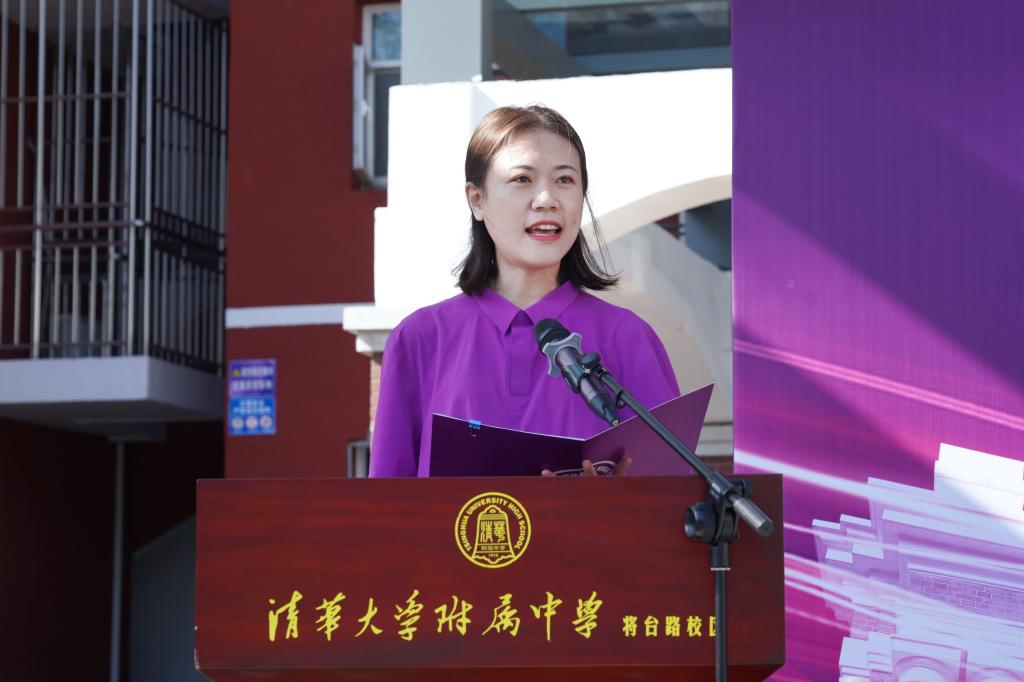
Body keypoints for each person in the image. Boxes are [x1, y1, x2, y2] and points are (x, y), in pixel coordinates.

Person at [369, 105, 679, 478]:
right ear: (477, 199)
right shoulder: (419, 339)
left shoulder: (629, 337)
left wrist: (609, 500)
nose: (546, 199)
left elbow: (673, 491)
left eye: (565, 180)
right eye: (522, 179)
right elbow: (385, 500)